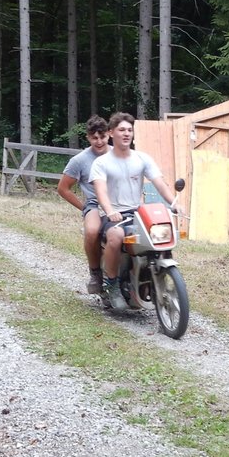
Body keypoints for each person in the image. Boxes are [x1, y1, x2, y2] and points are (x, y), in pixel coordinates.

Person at [91, 112, 179, 311]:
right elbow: (101, 191)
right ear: (111, 133)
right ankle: (112, 285)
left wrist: (174, 202)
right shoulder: (101, 163)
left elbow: (159, 183)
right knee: (115, 237)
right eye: (122, 130)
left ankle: (154, 277)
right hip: (113, 215)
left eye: (129, 130)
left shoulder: (142, 158)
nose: (126, 134)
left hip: (137, 212)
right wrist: (110, 210)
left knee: (161, 235)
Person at [57, 115, 111, 294]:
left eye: (102, 137)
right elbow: (63, 188)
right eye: (94, 138)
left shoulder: (118, 154)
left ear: (109, 134)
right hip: (94, 204)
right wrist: (84, 207)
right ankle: (95, 273)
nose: (99, 141)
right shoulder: (79, 160)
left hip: (119, 201)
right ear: (88, 137)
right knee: (92, 231)